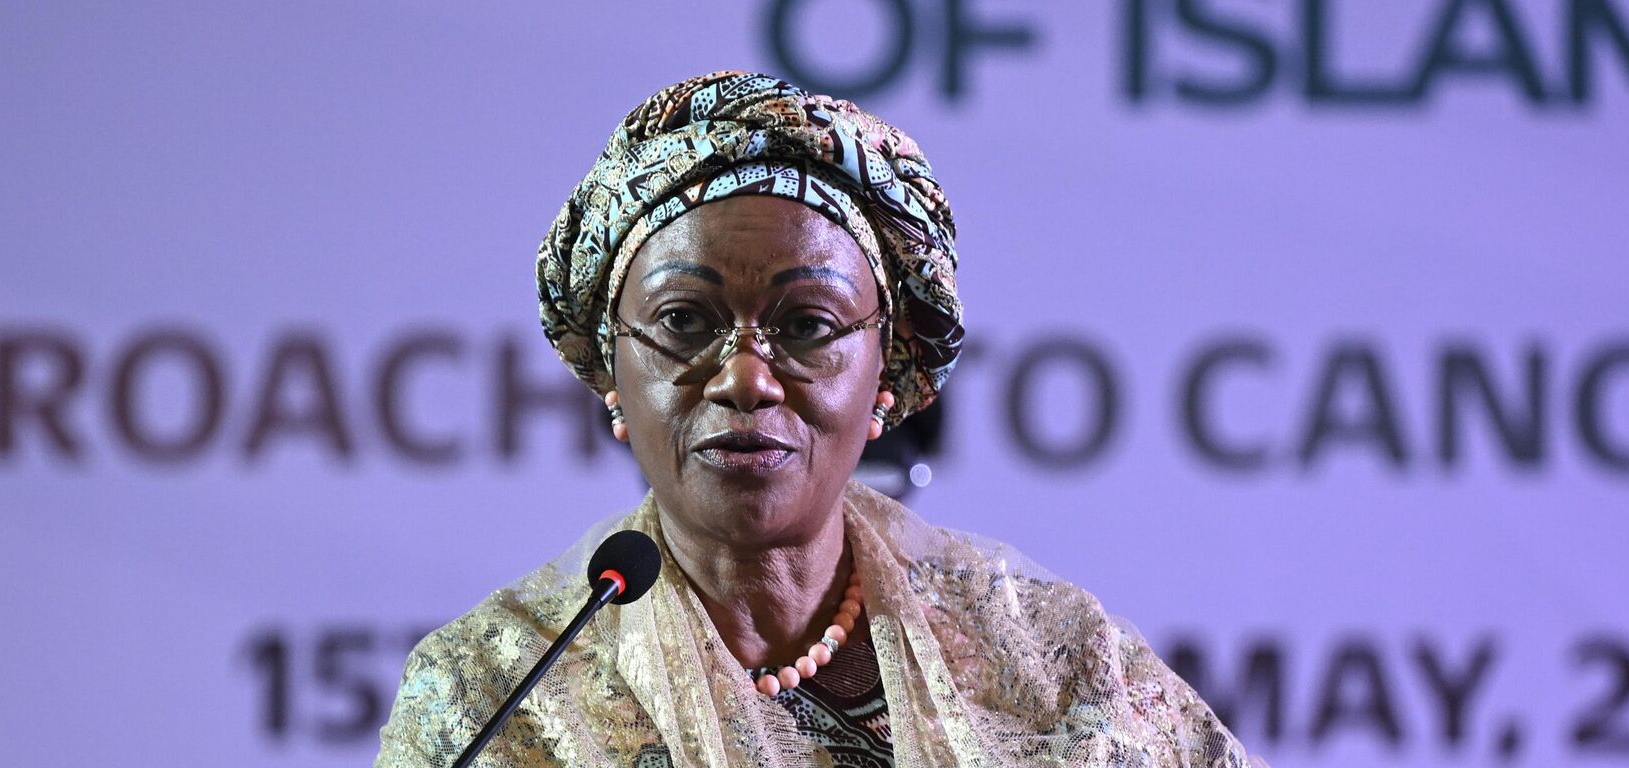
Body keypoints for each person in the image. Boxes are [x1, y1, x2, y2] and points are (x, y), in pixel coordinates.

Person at [375, 71, 1262, 768]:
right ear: (611, 370)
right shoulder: (495, 697)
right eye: (686, 322)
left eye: (807, 327)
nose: (748, 378)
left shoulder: (1049, 663)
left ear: (889, 371)